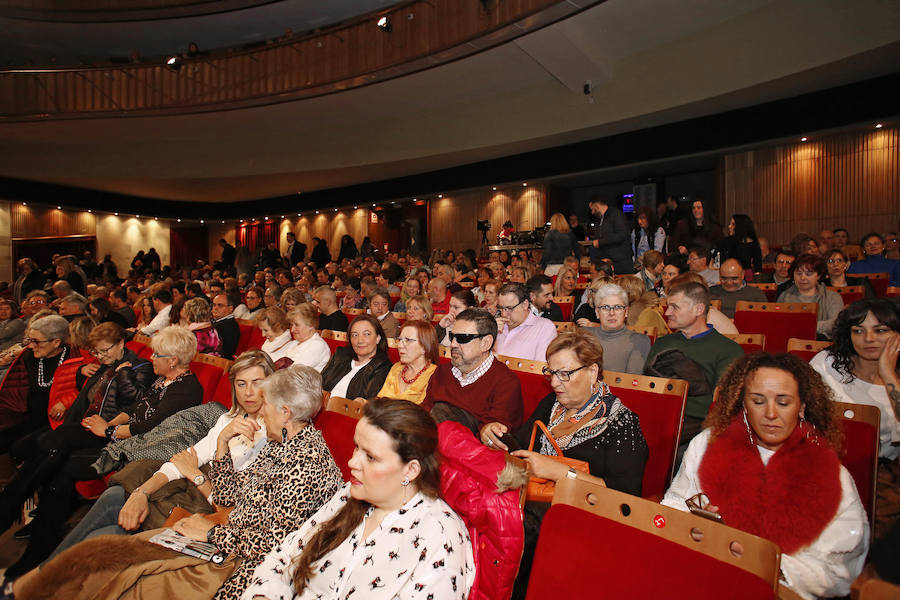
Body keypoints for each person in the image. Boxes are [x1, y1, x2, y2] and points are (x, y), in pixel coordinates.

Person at [25, 365, 342, 600]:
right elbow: (233, 497)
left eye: (267, 406)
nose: (262, 412)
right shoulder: (282, 444)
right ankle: (42, 585)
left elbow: (271, 545)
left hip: (240, 565)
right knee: (106, 551)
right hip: (224, 533)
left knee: (124, 574)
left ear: (284, 412)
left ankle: (40, 586)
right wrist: (221, 447)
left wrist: (210, 531)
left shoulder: (306, 463)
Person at [661, 353, 869, 600]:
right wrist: (694, 528)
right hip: (703, 573)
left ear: (802, 407)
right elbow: (673, 504)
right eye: (758, 401)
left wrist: (758, 556)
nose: (770, 414)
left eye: (783, 402)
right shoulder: (707, 445)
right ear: (744, 405)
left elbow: (837, 570)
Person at [242, 398, 474, 600]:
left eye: (371, 457)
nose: (352, 462)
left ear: (410, 470)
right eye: (356, 448)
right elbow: (284, 558)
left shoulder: (440, 533)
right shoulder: (349, 494)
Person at [46, 351, 276, 555]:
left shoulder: (274, 432)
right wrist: (141, 492)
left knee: (103, 536)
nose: (249, 393)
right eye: (241, 384)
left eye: (257, 382)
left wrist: (195, 473)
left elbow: (234, 507)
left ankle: (43, 578)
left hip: (207, 508)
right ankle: (42, 577)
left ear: (273, 384)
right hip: (189, 487)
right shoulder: (230, 419)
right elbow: (184, 459)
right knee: (116, 496)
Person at [0, 324, 183, 576]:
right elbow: (100, 398)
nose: (100, 356)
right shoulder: (138, 372)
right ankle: (37, 544)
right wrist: (84, 372)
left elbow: (141, 410)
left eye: (104, 350)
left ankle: (15, 512)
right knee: (51, 454)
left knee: (53, 451)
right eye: (96, 352)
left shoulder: (141, 369)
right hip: (98, 427)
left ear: (121, 343)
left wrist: (108, 424)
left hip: (120, 443)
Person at [481, 330, 648, 599]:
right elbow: (522, 446)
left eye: (565, 374)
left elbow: (625, 497)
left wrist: (560, 473)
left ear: (593, 372)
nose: (556, 383)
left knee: (515, 522)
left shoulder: (621, 423)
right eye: (551, 373)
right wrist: (493, 434)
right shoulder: (553, 405)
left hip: (585, 516)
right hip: (534, 500)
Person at [810, 298, 900, 536]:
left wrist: (888, 375)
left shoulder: (896, 380)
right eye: (858, 331)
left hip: (883, 477)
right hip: (824, 466)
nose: (868, 339)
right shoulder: (826, 365)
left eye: (880, 330)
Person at [644, 281, 744, 452]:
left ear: (698, 309)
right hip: (658, 417)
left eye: (675, 307)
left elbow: (723, 403)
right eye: (668, 306)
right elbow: (648, 386)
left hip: (698, 426)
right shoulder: (663, 343)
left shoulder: (728, 350)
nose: (667, 313)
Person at [422, 308, 523, 434]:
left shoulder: (506, 383)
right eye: (452, 336)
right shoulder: (442, 372)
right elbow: (423, 416)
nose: (453, 344)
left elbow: (491, 437)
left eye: (462, 338)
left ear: (485, 343)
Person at [0, 315, 72, 455]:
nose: (30, 345)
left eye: (36, 341)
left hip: (55, 422)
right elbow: (14, 391)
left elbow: (83, 391)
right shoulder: (28, 356)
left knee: (21, 448)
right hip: (27, 416)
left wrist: (65, 403)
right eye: (29, 340)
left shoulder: (74, 357)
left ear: (56, 342)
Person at [581, 283, 650, 374]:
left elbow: (631, 382)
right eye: (605, 307)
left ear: (626, 312)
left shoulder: (639, 341)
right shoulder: (584, 336)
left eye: (618, 307)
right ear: (597, 312)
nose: (612, 313)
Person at [320, 314, 392, 400]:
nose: (360, 340)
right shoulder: (341, 355)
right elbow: (320, 382)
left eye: (367, 334)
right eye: (355, 335)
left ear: (377, 338)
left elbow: (366, 403)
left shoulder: (383, 367)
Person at [777, 253, 844, 339]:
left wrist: (802, 328)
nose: (803, 278)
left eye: (808, 274)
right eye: (798, 273)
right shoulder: (784, 296)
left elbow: (835, 324)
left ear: (818, 276)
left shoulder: (833, 297)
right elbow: (778, 324)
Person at [378, 321, 439, 404]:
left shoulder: (434, 374)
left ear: (425, 346)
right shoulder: (396, 368)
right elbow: (380, 400)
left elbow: (424, 411)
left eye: (408, 340)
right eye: (399, 340)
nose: (400, 345)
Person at [494, 283, 558, 361]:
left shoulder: (545, 328)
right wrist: (491, 334)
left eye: (509, 308)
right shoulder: (496, 326)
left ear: (525, 304)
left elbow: (540, 369)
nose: (503, 314)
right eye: (501, 308)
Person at [589, 196, 632, 275]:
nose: (592, 212)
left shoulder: (616, 214)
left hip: (621, 262)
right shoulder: (599, 220)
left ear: (597, 206)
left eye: (592, 209)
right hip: (608, 261)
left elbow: (623, 234)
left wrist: (600, 242)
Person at [286, 304, 331, 372]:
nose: (292, 329)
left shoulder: (317, 345)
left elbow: (295, 372)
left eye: (297, 325)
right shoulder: (295, 343)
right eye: (291, 325)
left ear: (311, 325)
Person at [212, 292, 241, 359]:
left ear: (230, 309)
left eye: (220, 305)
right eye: (214, 305)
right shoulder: (220, 322)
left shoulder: (227, 326)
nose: (215, 308)